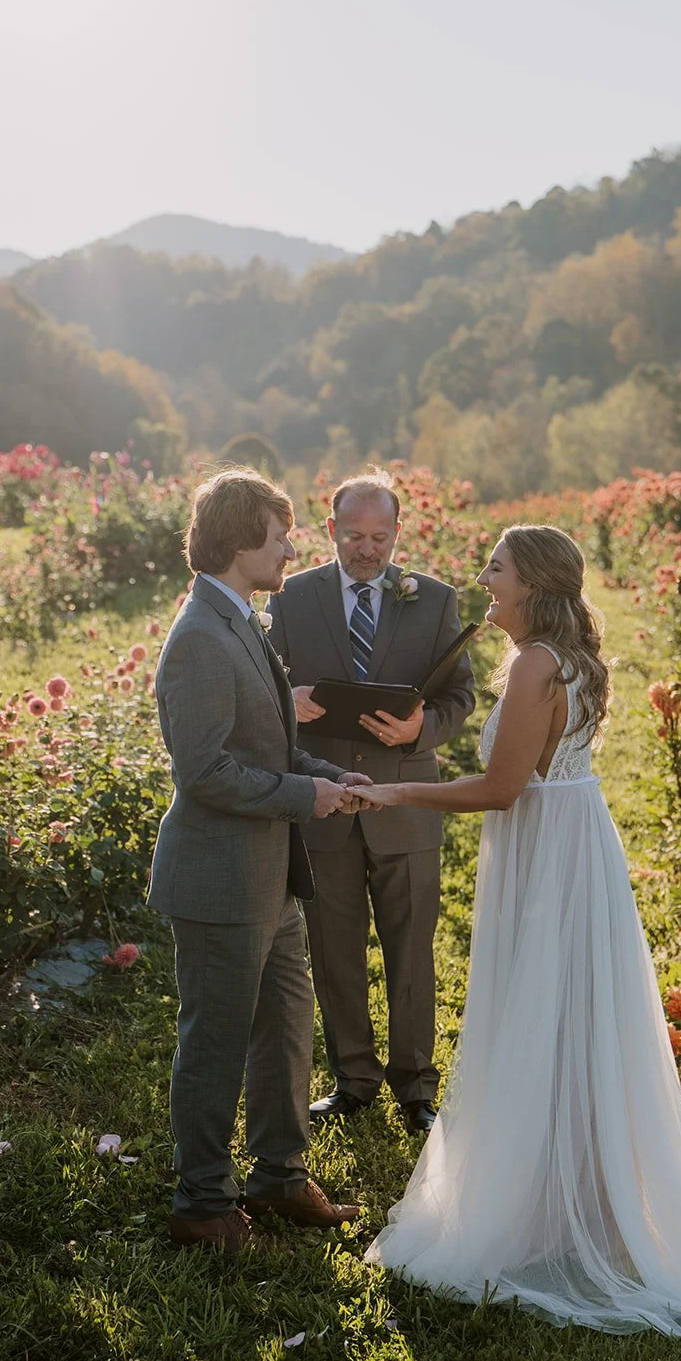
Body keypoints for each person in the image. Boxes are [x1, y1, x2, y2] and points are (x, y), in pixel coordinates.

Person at [354, 525, 681, 1338]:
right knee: (569, 1018)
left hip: (548, 853)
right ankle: (574, 1203)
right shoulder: (561, 658)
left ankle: (554, 1210)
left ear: (530, 583)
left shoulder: (535, 664)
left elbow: (501, 790)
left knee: (544, 1013)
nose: (484, 581)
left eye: (495, 569)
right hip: (568, 843)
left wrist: (392, 795)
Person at [148, 468, 375, 1253]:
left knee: (284, 1024)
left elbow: (268, 743)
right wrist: (296, 798)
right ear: (243, 539)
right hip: (218, 877)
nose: (290, 547)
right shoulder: (199, 639)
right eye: (280, 535)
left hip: (269, 873)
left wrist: (325, 777)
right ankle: (202, 1202)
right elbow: (203, 773)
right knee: (213, 1040)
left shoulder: (239, 617)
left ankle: (277, 1177)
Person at [266, 471, 475, 1135]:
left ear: (396, 533)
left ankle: (416, 1086)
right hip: (325, 803)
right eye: (354, 535)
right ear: (329, 530)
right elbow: (265, 687)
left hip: (407, 801)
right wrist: (285, 702)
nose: (367, 548)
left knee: (411, 950)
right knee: (334, 949)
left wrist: (422, 729)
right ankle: (352, 1078)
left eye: (380, 537)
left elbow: (459, 697)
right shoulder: (291, 598)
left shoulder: (434, 599)